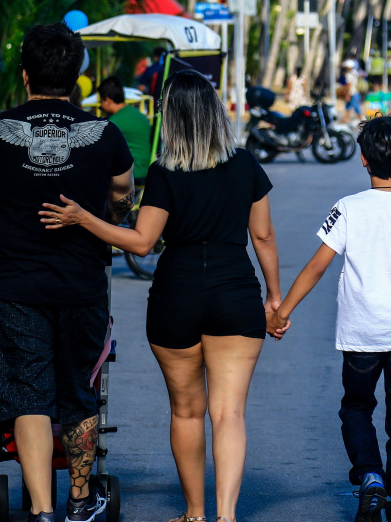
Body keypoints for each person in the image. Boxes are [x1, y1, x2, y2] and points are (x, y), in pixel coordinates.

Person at [39, 69, 282, 522]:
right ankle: (226, 515)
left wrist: (83, 219)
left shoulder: (165, 171)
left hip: (177, 295)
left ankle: (194, 513)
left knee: (188, 412)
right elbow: (263, 238)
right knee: (228, 413)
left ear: (170, 117)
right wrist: (274, 298)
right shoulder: (246, 163)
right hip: (236, 293)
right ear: (215, 113)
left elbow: (141, 242)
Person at [0, 23, 135, 522]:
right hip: (83, 285)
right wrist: (109, 219)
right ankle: (80, 503)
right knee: (79, 388)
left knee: (27, 393)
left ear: (24, 75)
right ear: (78, 76)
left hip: (17, 286)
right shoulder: (104, 133)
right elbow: (121, 193)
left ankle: (41, 511)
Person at [269, 115, 391, 522]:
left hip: (361, 336)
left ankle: (370, 476)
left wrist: (282, 313)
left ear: (363, 159)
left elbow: (316, 267)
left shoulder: (347, 208)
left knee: (356, 408)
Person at [98, 76, 152, 185]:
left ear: (108, 100)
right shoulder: (139, 115)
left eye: (101, 101)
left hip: (131, 175)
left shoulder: (114, 122)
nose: (100, 106)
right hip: (145, 171)